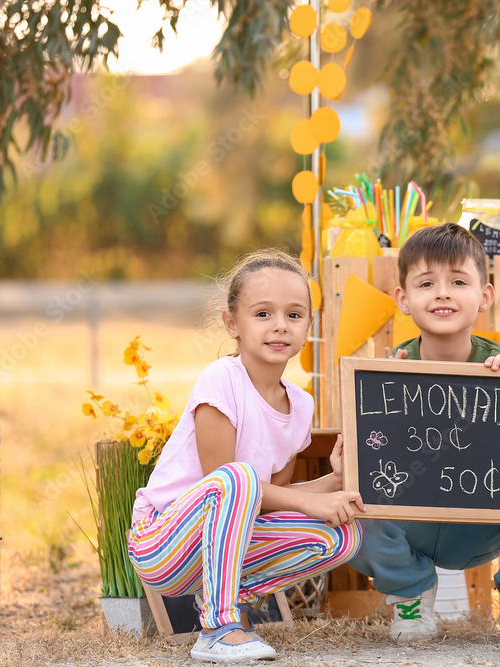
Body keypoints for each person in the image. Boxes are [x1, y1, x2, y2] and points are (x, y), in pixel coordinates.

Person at [128, 249, 364, 663]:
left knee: (341, 536)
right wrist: (312, 500)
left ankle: (223, 599)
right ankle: (219, 626)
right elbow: (224, 480)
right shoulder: (222, 380)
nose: (279, 326)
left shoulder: (301, 406)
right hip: (162, 542)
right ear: (231, 323)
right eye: (262, 314)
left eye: (294, 315)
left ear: (310, 325)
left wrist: (334, 481)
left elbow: (267, 498)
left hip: (222, 546)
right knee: (236, 477)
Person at [347, 223, 500, 646]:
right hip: (410, 525)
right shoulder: (390, 373)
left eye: (458, 281)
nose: (442, 293)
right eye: (426, 283)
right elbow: (369, 462)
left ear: (484, 296)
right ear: (403, 299)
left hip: (482, 522)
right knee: (353, 480)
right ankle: (411, 592)